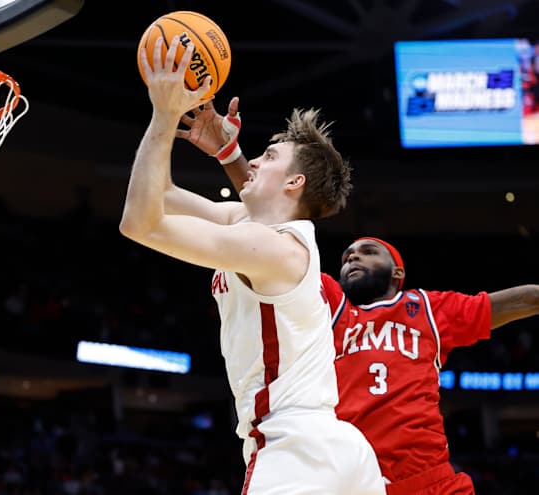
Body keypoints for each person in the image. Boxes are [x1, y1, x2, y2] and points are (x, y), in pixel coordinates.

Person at [178, 96, 539, 494]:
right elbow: (272, 213)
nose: (353, 256)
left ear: (397, 273)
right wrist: (232, 157)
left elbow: (522, 300)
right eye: (349, 253)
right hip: (345, 476)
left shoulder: (430, 309)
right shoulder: (328, 303)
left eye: (369, 252)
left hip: (427, 479)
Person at [120, 35, 386, 495]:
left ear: (295, 182)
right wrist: (218, 149)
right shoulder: (251, 225)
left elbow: (139, 224)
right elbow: (157, 195)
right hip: (328, 449)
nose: (255, 161)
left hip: (296, 448)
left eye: (270, 157)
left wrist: (163, 114)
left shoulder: (275, 249)